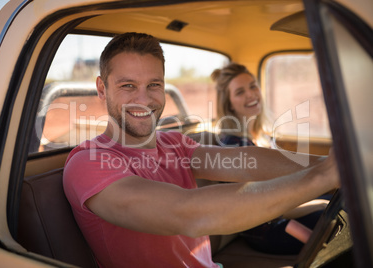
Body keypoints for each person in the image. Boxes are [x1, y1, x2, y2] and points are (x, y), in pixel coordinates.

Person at [63, 32, 339, 268]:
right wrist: (322, 177)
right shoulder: (89, 162)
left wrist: (337, 165)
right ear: (102, 88)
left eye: (154, 85)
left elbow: (245, 162)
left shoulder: (173, 143)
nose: (144, 98)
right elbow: (186, 213)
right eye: (127, 86)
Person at [212, 63, 330, 254]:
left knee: (336, 202)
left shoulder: (259, 136)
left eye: (253, 86)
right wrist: (318, 203)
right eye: (240, 92)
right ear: (229, 104)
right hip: (268, 228)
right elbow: (265, 205)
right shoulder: (233, 146)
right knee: (337, 213)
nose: (251, 94)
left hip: (281, 213)